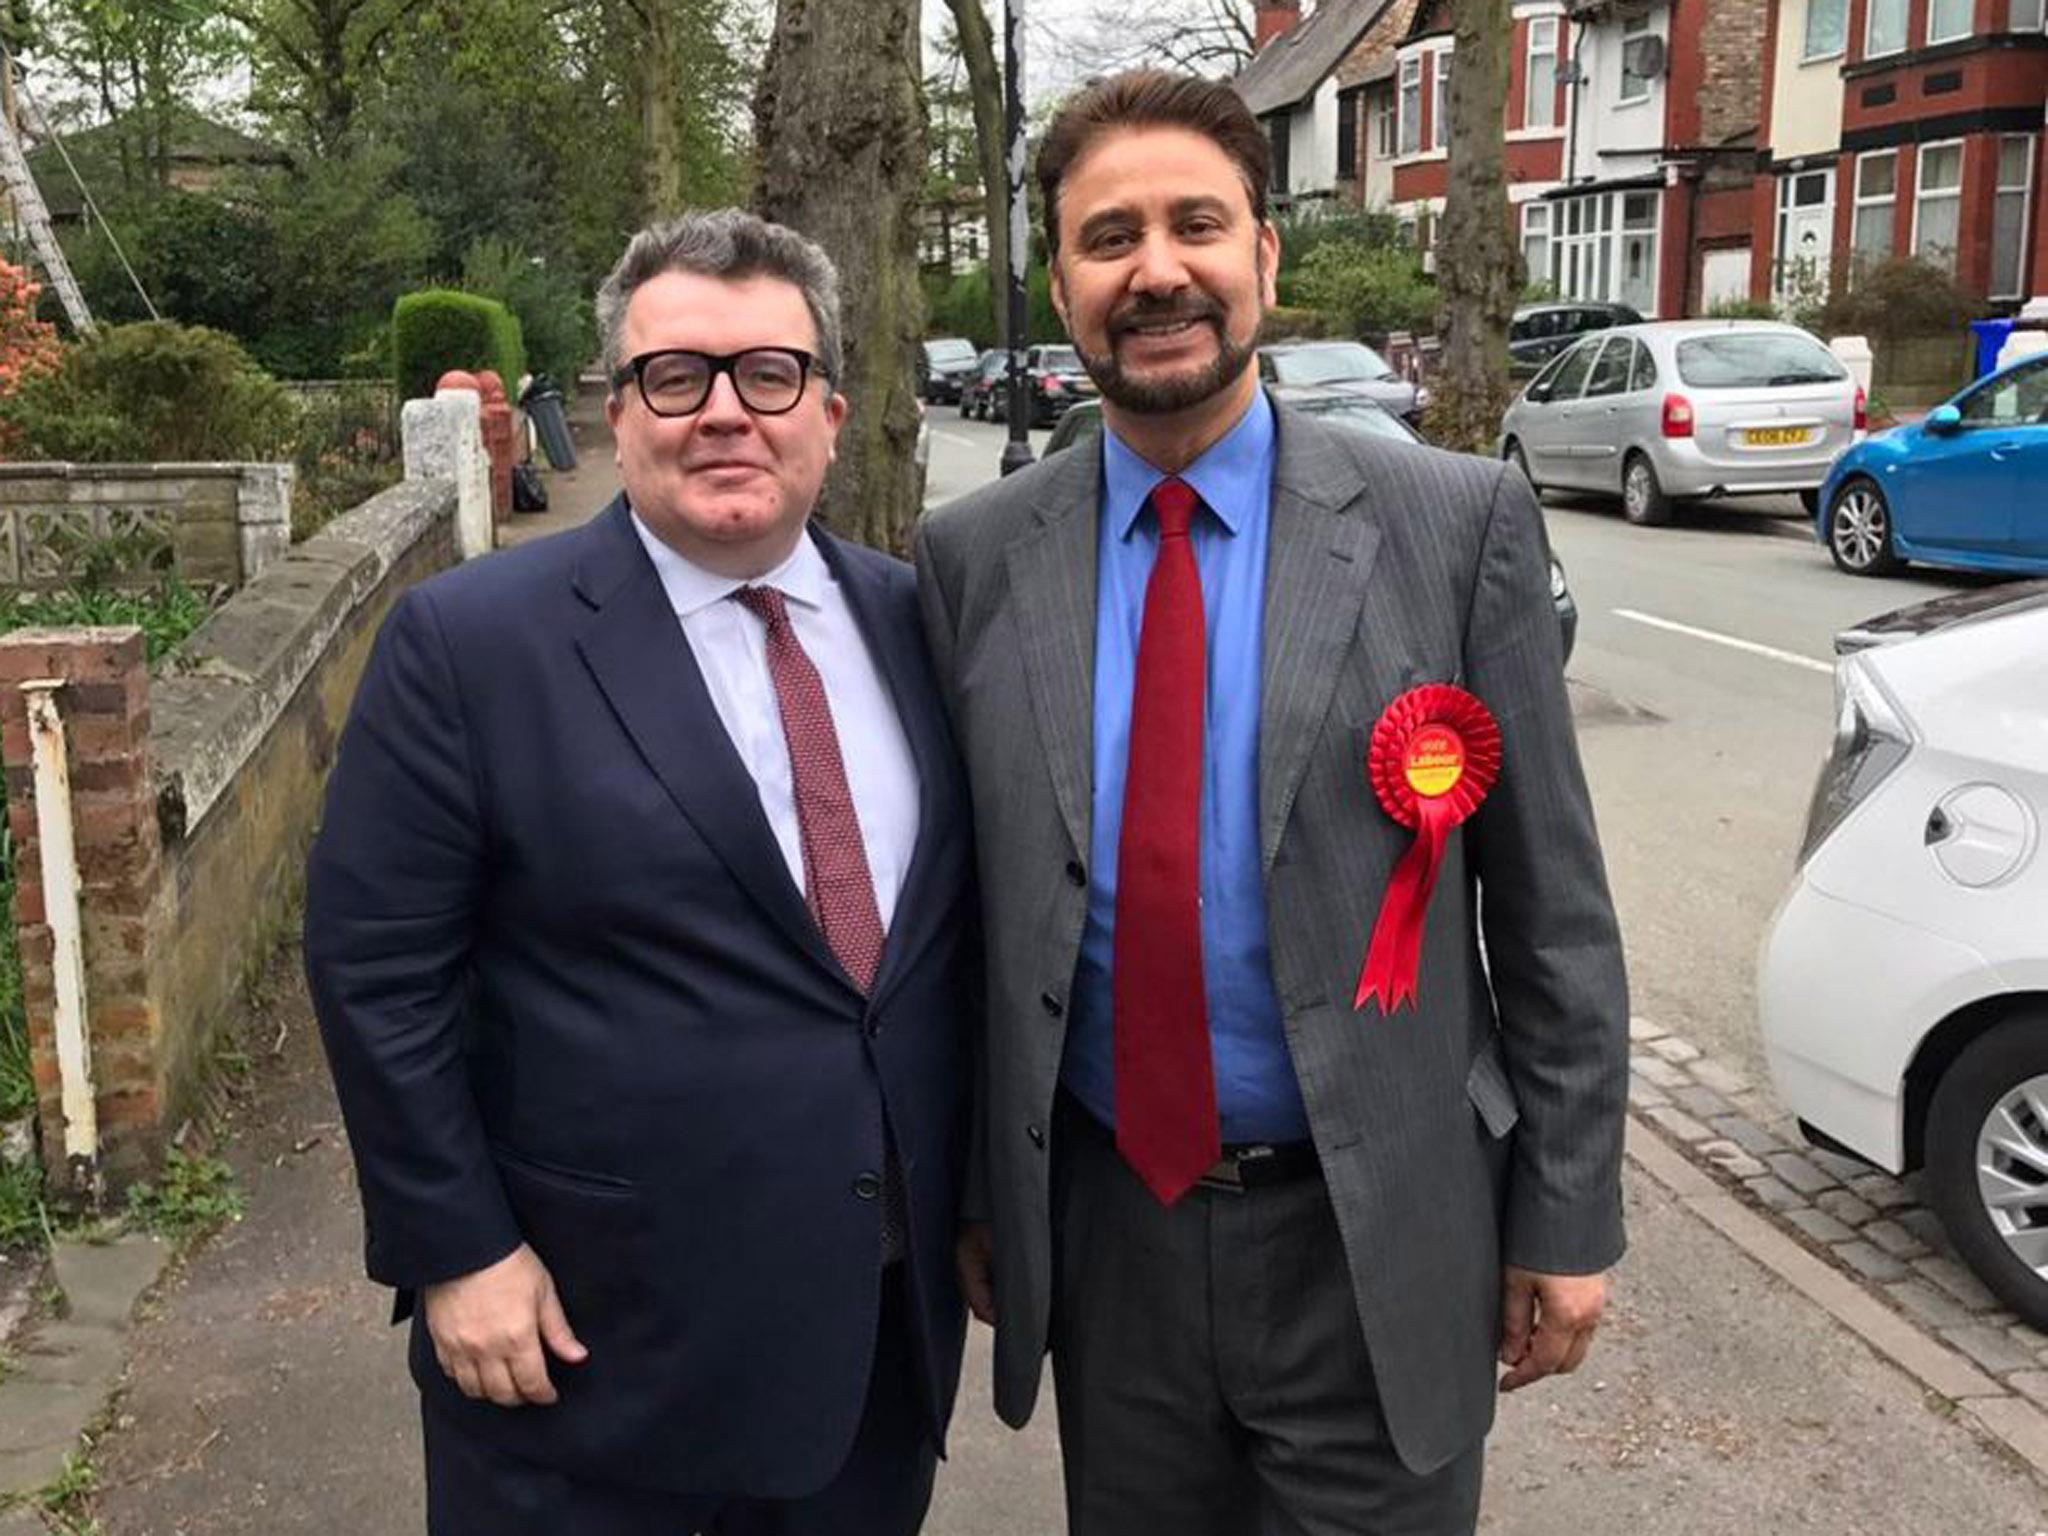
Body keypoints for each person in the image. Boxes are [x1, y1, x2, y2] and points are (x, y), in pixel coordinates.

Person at [914, 71, 1628, 1535]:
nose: (1157, 269)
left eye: (1197, 225)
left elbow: (1552, 913)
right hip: (1116, 1238)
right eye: (1109, 236)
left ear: (1265, 260)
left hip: (1385, 1230)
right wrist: (987, 1185)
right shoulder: (973, 560)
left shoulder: (1451, 524)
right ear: (1059, 280)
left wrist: (1567, 1212)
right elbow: (970, 923)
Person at [305, 209, 973, 1536]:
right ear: (620, 411)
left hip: (869, 1345)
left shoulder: (920, 622)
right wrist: (456, 1249)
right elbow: (378, 970)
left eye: (768, 373)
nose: (725, 411)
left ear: (830, 413)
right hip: (587, 1360)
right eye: (679, 376)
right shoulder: (471, 644)